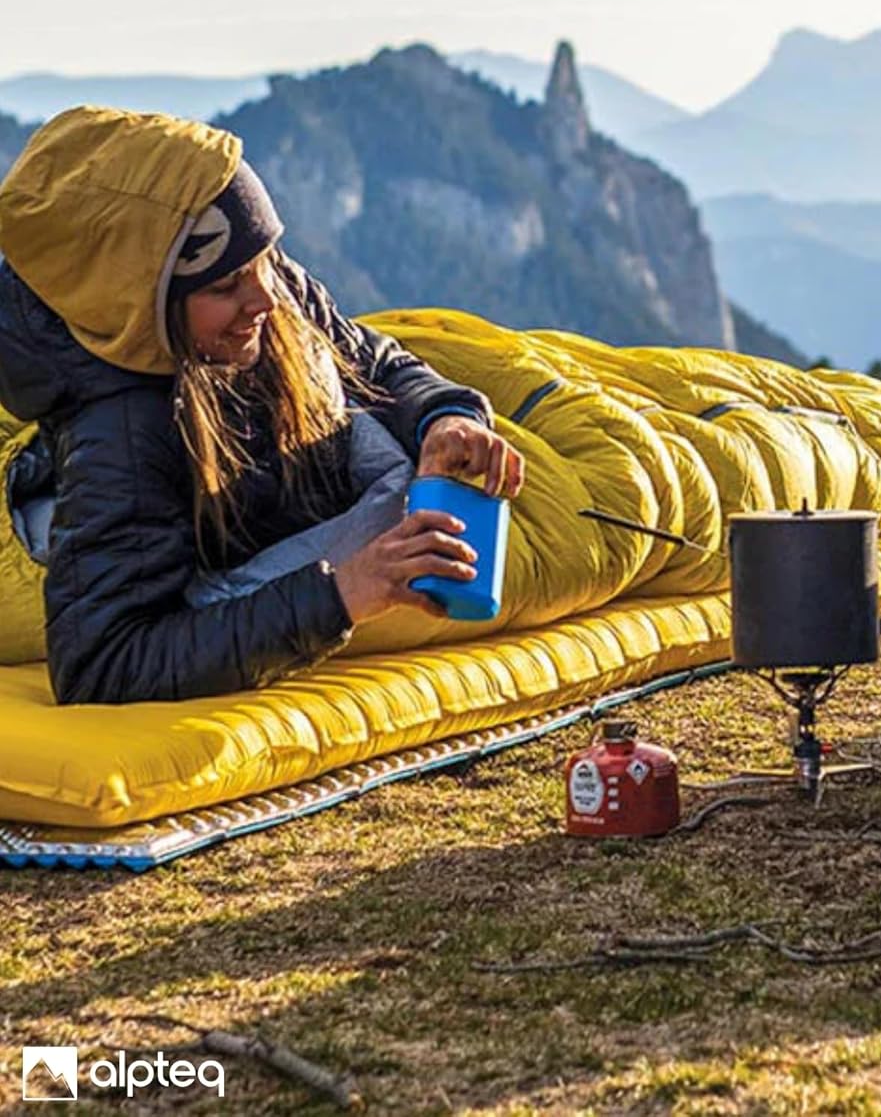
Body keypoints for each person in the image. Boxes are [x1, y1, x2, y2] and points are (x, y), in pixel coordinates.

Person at [0, 106, 525, 706]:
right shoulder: (125, 433)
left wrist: (444, 417)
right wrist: (346, 592)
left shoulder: (257, 278)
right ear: (147, 303)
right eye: (225, 287)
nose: (266, 300)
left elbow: (371, 360)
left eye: (265, 262)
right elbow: (103, 662)